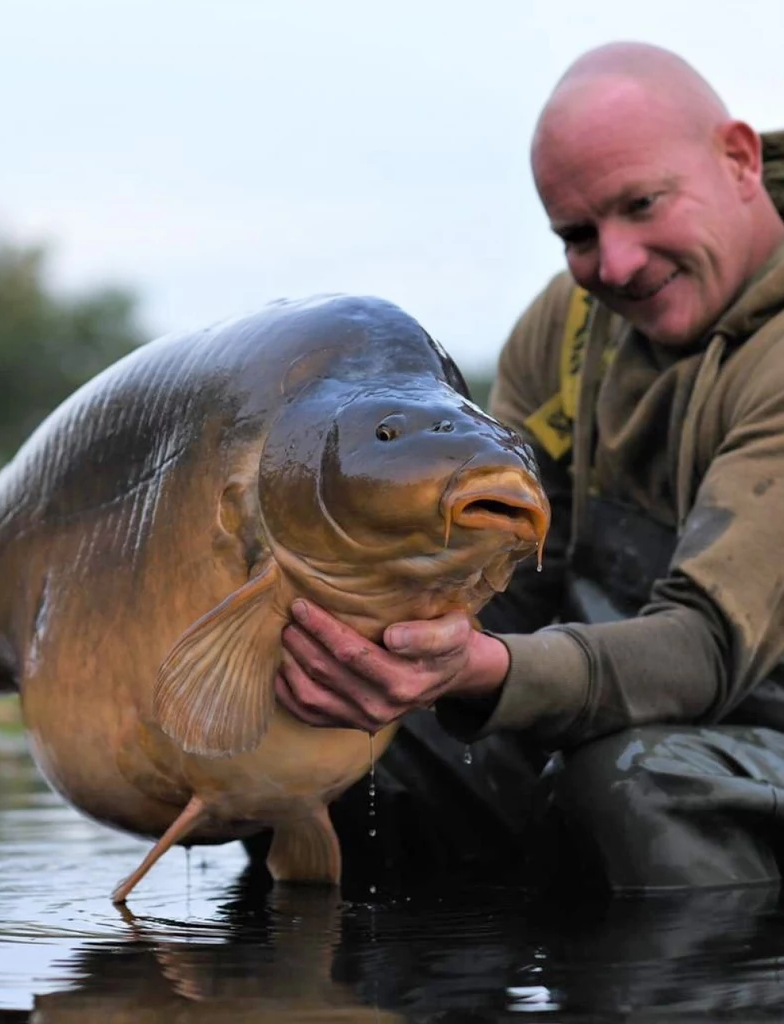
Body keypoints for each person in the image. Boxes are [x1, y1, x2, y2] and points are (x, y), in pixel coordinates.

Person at [273, 42, 784, 891]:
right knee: (338, 758)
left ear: (736, 158)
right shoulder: (566, 325)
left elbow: (703, 648)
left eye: (641, 205)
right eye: (577, 235)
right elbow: (497, 584)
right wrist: (369, 655)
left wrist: (479, 672)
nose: (614, 265)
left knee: (629, 792)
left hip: (733, 719)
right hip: (608, 707)